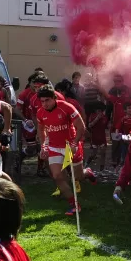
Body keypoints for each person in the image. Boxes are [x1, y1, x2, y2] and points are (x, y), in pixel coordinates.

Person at [35, 85, 89, 216]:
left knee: (78, 176)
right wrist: (44, 146)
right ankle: (74, 204)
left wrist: (75, 143)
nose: (44, 104)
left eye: (47, 100)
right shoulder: (40, 112)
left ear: (54, 98)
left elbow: (81, 127)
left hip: (70, 145)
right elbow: (41, 130)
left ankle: (87, 172)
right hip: (54, 147)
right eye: (42, 101)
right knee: (57, 176)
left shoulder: (66, 107)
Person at [86, 102, 109, 172]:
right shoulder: (92, 116)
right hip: (94, 138)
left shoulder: (105, 117)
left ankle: (101, 170)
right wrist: (97, 119)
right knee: (93, 154)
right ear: (95, 110)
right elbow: (89, 125)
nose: (99, 112)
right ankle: (86, 164)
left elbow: (106, 126)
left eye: (100, 110)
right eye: (97, 110)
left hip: (102, 138)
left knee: (103, 153)